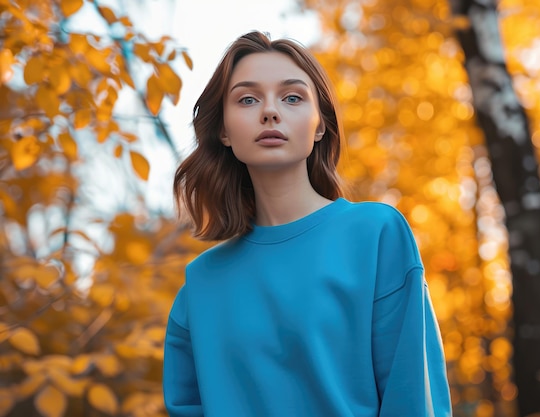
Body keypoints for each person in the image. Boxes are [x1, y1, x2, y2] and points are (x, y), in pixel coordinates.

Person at [163, 30, 452, 417]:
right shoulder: (200, 284)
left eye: (292, 97)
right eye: (247, 99)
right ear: (224, 131)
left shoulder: (375, 234)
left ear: (319, 127)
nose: (270, 111)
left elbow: (413, 398)